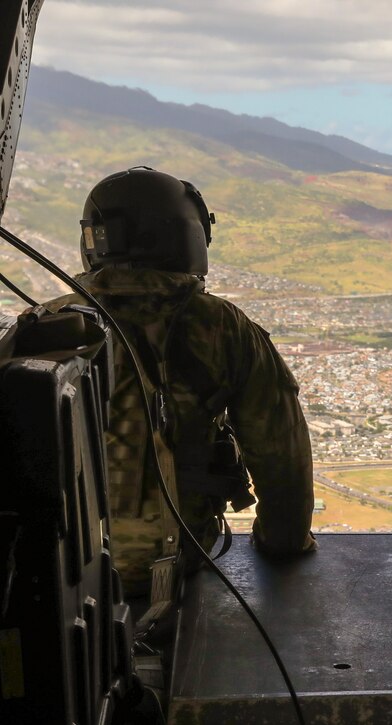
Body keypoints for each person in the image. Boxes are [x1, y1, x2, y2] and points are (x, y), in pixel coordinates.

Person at [46, 167, 316, 604]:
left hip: (62, 572)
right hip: (176, 563)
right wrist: (283, 544)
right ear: (187, 236)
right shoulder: (221, 327)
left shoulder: (46, 324)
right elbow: (280, 452)